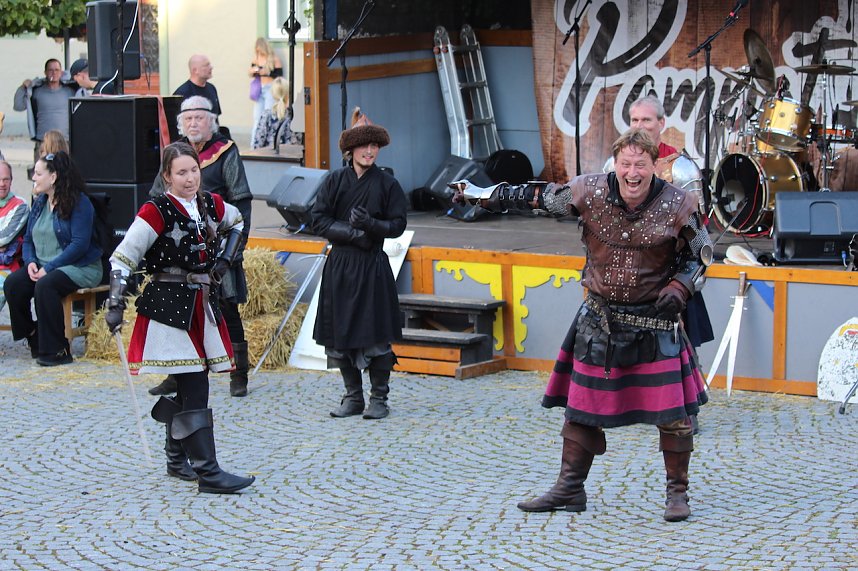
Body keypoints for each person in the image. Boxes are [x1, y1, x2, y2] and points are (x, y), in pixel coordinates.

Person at [454, 129, 712, 521]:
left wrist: (680, 286)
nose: (632, 173)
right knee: (581, 410)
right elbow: (537, 197)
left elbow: (702, 257)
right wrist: (481, 195)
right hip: (599, 322)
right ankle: (570, 488)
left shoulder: (680, 204)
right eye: (626, 164)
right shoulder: (588, 192)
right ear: (615, 164)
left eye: (640, 165)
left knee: (674, 415)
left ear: (653, 166)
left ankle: (678, 494)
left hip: (655, 325)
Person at [104, 142, 255, 494]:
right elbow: (123, 256)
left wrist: (224, 261)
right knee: (196, 385)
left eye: (194, 170)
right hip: (169, 308)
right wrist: (115, 302)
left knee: (191, 385)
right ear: (167, 176)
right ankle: (209, 473)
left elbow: (237, 221)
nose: (190, 178)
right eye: (181, 172)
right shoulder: (156, 210)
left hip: (202, 304)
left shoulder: (210, 204)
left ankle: (176, 458)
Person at [147, 96, 253, 398]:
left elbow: (241, 201)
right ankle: (176, 374)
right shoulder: (175, 154)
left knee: (227, 310)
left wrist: (233, 251)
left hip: (219, 247)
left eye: (199, 117)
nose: (193, 123)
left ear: (211, 121)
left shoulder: (226, 152)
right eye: (188, 118)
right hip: (181, 250)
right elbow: (157, 197)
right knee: (179, 311)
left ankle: (238, 374)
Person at [311, 107, 407, 420]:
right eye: (363, 145)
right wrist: (352, 232)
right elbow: (317, 219)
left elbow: (398, 225)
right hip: (340, 265)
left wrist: (372, 225)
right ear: (350, 150)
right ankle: (353, 397)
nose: (369, 151)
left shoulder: (388, 184)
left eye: (374, 145)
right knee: (340, 334)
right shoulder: (334, 181)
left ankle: (379, 399)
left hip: (372, 266)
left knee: (376, 335)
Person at [4, 152, 103, 366]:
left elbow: (79, 245)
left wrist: (49, 268)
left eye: (38, 174)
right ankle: (34, 335)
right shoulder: (40, 202)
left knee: (46, 286)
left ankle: (57, 350)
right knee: (13, 285)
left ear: (53, 177)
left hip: (79, 266)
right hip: (43, 265)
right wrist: (30, 261)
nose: (34, 178)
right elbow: (28, 239)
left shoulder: (80, 203)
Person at [13, 59, 76, 162]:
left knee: (64, 171)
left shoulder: (70, 92)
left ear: (61, 73)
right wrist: (23, 87)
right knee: (41, 170)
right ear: (45, 72)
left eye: (56, 70)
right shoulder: (36, 92)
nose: (54, 73)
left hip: (64, 141)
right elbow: (18, 106)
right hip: (43, 141)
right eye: (50, 70)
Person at [0, 160, 30, 311]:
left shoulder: (20, 205)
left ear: (11, 180)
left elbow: (4, 238)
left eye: (6, 179)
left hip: (7, 267)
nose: (2, 184)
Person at [249, 38, 284, 144]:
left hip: (270, 88)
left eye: (260, 50)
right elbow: (250, 71)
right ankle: (254, 143)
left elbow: (279, 74)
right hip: (260, 88)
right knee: (257, 117)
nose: (259, 52)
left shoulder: (273, 58)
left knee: (268, 114)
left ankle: (268, 142)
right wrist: (254, 71)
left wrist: (266, 72)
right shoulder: (256, 58)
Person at [250, 77, 299, 149]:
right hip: (290, 155)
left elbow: (258, 143)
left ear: (273, 94)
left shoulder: (266, 115)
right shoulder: (294, 116)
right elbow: (298, 143)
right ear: (288, 94)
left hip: (269, 155)